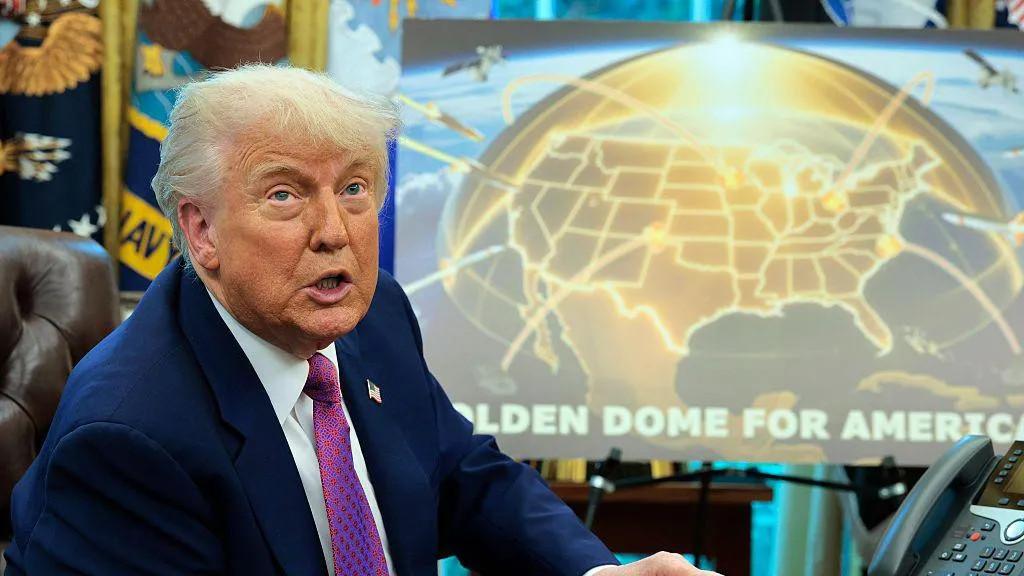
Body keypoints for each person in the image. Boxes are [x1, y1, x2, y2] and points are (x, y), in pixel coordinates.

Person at [3, 64, 722, 576]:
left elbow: (461, 472)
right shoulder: (129, 441)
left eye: (354, 188)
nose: (334, 232)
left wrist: (595, 574)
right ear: (202, 230)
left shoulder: (373, 315)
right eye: (284, 196)